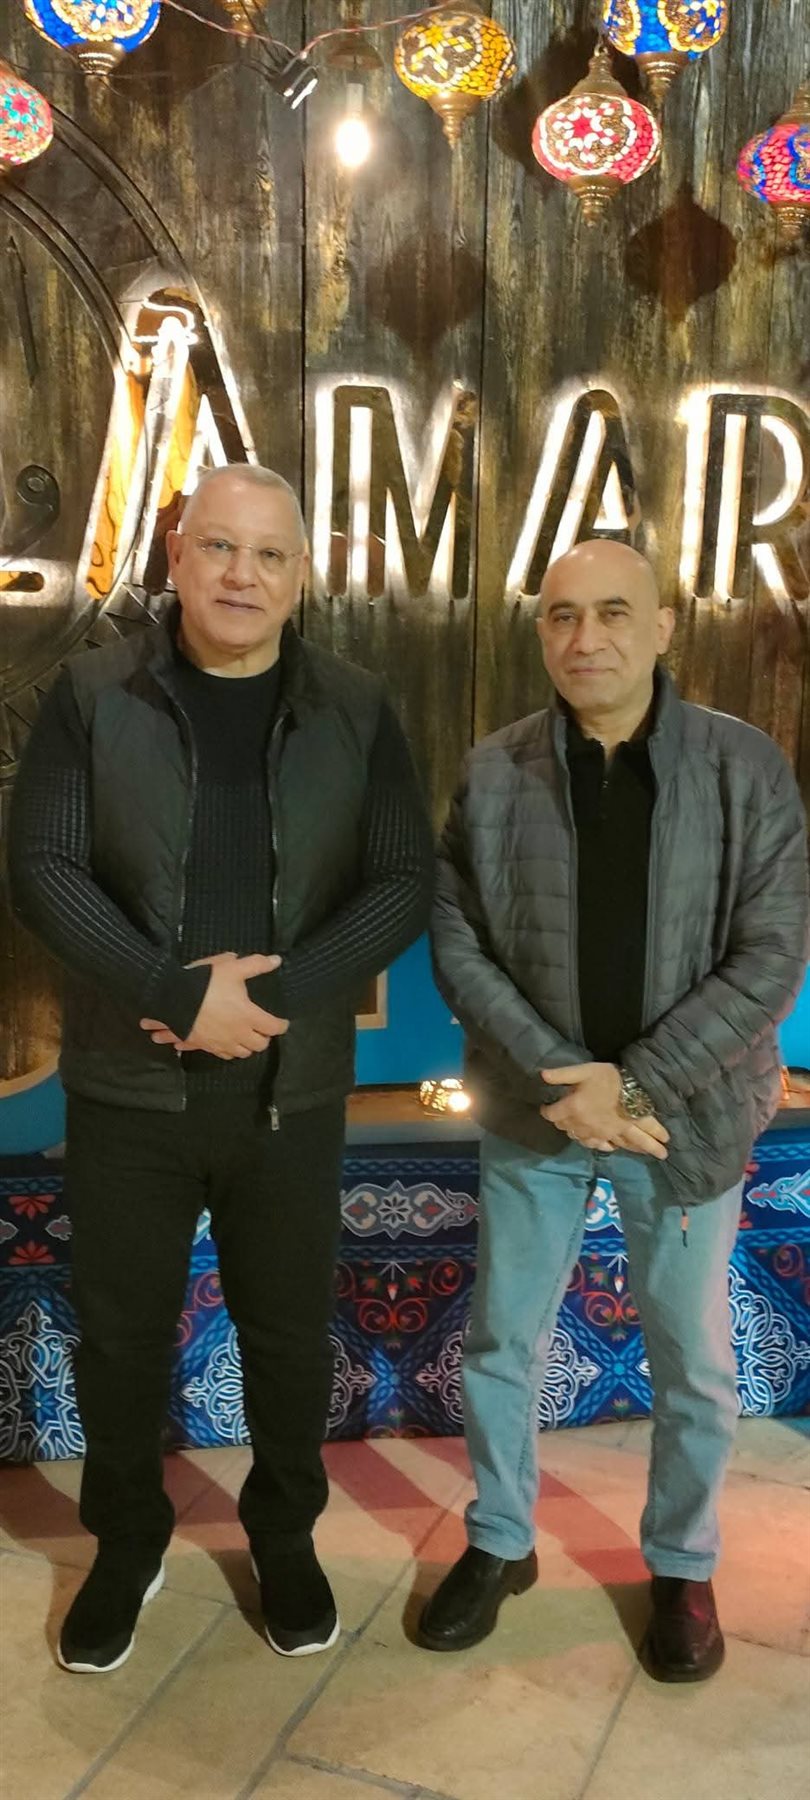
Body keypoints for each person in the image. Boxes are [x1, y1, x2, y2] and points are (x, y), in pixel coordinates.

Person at [8, 463, 434, 1672]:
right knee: (122, 1340)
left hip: (288, 1095)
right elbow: (43, 867)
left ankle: (284, 1538)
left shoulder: (357, 706)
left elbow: (403, 879)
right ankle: (127, 1543)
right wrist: (178, 993)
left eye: (270, 554)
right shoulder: (93, 694)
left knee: (289, 1338)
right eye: (219, 547)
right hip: (127, 1090)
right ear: (177, 557)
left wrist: (269, 1003)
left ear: (300, 578)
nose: (243, 574)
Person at [420, 538, 808, 1679]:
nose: (584, 638)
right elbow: (458, 941)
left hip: (683, 1122)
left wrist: (631, 1085)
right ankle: (501, 1539)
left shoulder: (745, 768)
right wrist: (567, 1079)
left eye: (613, 613)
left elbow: (771, 955)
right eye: (561, 615)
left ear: (664, 626)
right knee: (503, 1342)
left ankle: (682, 1565)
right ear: (541, 629)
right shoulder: (493, 771)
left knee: (694, 1360)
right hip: (535, 1113)